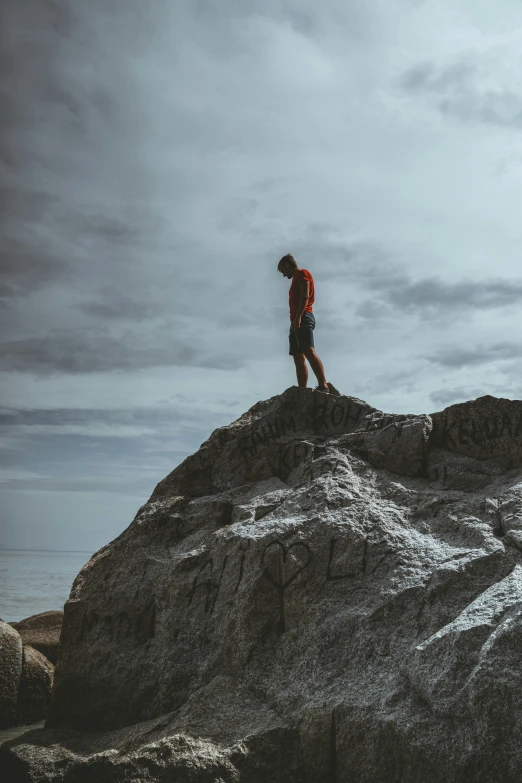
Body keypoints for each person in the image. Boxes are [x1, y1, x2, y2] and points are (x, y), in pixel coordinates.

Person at [278, 253, 339, 394]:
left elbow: (305, 296)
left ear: (287, 265)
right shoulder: (295, 279)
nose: (283, 274)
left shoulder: (302, 274)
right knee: (297, 356)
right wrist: (295, 320)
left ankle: (323, 385)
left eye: (283, 270)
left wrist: (299, 317)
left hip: (303, 317)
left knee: (308, 351)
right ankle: (302, 391)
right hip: (295, 320)